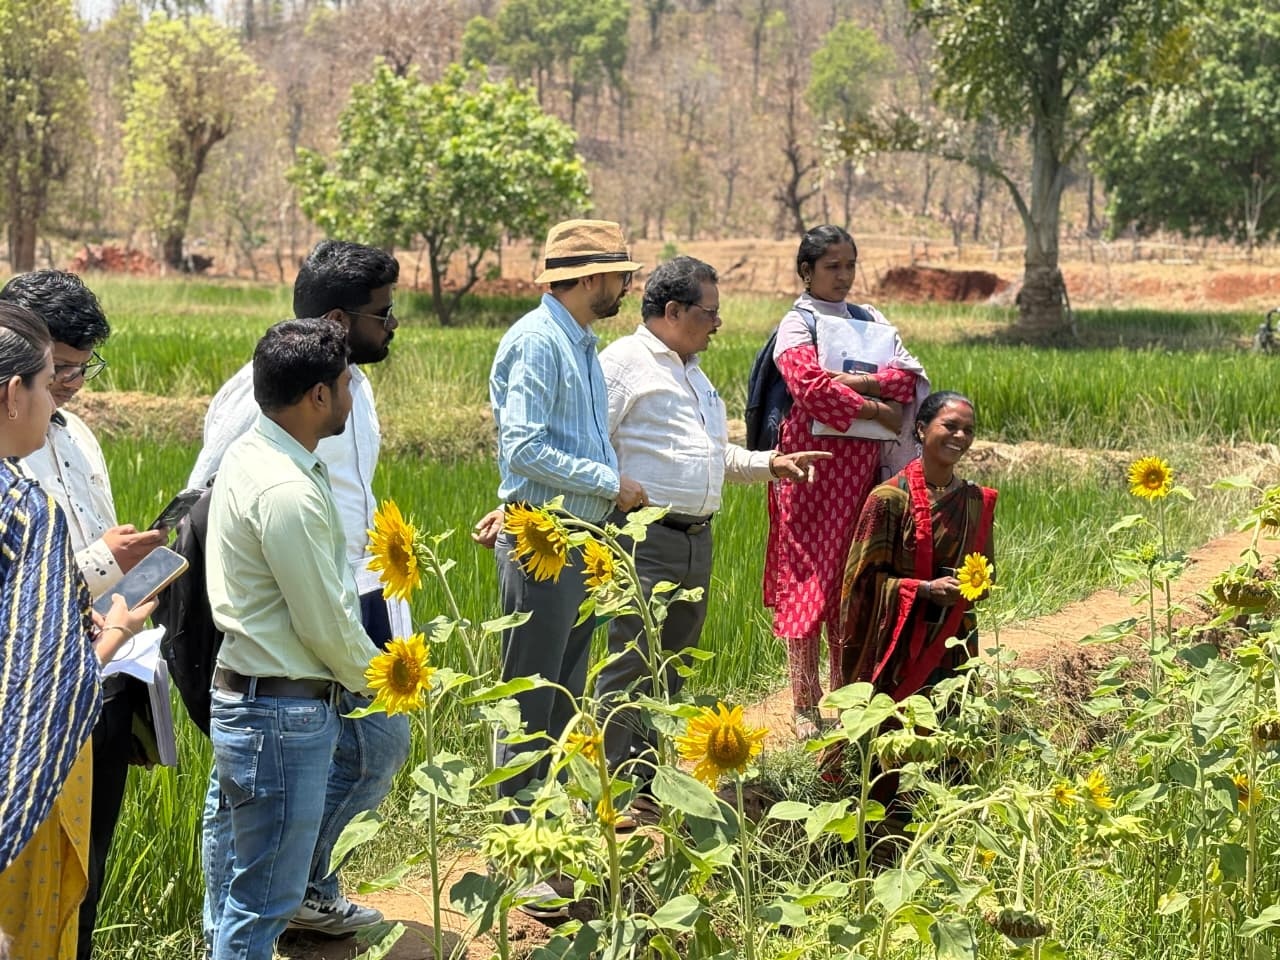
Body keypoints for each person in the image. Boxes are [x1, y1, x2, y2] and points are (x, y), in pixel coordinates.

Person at [189, 241, 407, 939]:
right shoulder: (261, 408)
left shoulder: (353, 391)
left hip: (352, 598)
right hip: (286, 626)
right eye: (382, 312)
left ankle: (299, 890)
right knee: (249, 796)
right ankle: (247, 919)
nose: (394, 323)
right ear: (340, 321)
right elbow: (205, 503)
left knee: (377, 749)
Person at [591, 256, 830, 813]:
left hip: (695, 538)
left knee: (669, 666)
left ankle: (646, 784)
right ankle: (614, 793)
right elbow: (590, 441)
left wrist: (771, 463)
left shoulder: (691, 373)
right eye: (710, 312)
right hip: (641, 538)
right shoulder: (623, 364)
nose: (718, 323)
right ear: (672, 311)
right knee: (631, 662)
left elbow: (709, 456)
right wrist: (613, 491)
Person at [0, 270, 168, 960]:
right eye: (56, 371)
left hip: (100, 670)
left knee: (83, 865)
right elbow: (24, 601)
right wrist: (100, 564)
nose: (69, 384)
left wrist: (122, 566)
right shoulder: (18, 482)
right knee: (30, 874)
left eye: (78, 369)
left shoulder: (76, 436)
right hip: (42, 691)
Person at [487, 219, 645, 908]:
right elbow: (522, 448)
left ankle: (546, 842)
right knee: (528, 698)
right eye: (619, 276)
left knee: (562, 699)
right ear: (586, 279)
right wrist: (609, 483)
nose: (625, 287)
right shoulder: (538, 342)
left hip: (579, 539)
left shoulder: (580, 343)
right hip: (544, 540)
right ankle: (517, 857)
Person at [764, 225, 927, 739]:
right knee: (810, 576)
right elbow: (809, 389)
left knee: (853, 579)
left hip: (861, 469)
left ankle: (846, 695)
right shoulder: (797, 324)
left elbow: (908, 379)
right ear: (807, 271)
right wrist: (879, 410)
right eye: (832, 266)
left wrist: (856, 385)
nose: (843, 276)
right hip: (810, 468)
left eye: (850, 265)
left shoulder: (870, 320)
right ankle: (804, 705)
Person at [837, 391, 996, 699]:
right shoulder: (888, 499)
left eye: (969, 430)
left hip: (954, 642)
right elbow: (860, 585)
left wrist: (970, 586)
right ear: (922, 429)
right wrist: (923, 590)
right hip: (897, 650)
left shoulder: (976, 501)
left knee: (951, 734)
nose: (960, 436)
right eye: (950, 426)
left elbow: (987, 577)